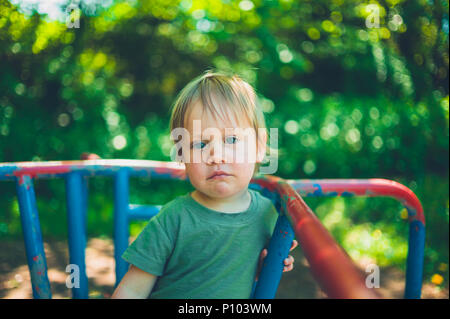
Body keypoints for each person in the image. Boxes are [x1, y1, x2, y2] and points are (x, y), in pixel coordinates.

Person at [112, 70, 298, 299]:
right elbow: (131, 289)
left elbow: (249, 273)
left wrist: (272, 263)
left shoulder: (269, 214)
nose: (216, 155)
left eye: (231, 140)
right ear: (182, 155)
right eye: (200, 144)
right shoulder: (173, 219)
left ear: (259, 147)